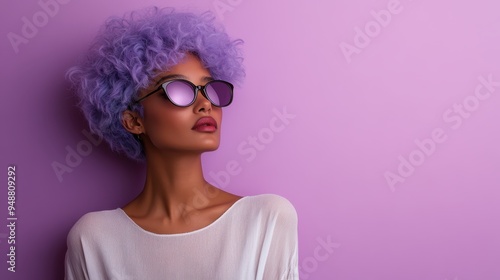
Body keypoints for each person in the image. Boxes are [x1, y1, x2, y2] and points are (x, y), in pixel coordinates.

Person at [64, 6, 299, 280]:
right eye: (177, 90)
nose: (205, 104)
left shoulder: (267, 220)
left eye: (210, 88)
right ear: (133, 120)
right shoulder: (93, 238)